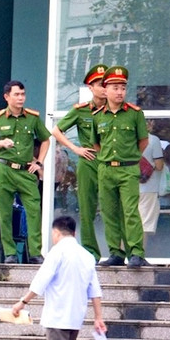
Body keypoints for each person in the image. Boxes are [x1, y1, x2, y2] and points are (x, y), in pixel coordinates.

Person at [10, 216, 105, 340]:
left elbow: (41, 280)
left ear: (56, 233)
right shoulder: (87, 256)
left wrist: (23, 302)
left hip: (57, 315)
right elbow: (94, 289)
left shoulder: (58, 252)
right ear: (74, 233)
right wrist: (98, 316)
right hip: (75, 317)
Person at [0, 80, 51, 265]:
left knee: (33, 210)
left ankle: (35, 252)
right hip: (4, 168)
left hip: (25, 171)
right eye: (17, 94)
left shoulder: (32, 118)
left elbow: (46, 139)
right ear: (7, 97)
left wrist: (39, 162)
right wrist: (2, 143)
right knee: (5, 213)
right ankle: (10, 253)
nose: (21, 98)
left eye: (23, 94)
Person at [94, 66, 150, 268]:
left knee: (130, 211)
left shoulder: (134, 114)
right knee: (109, 212)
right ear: (106, 90)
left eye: (123, 88)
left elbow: (143, 141)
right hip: (106, 169)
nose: (119, 92)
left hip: (128, 169)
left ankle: (135, 252)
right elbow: (96, 144)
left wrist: (130, 157)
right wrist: (107, 159)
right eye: (115, 88)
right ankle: (115, 252)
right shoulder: (98, 115)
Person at [50, 64, 107, 260]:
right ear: (90, 87)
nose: (104, 88)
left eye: (106, 84)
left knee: (113, 207)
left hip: (110, 162)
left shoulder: (115, 110)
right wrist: (75, 149)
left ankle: (117, 252)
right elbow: (56, 130)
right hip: (88, 161)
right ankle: (91, 252)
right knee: (87, 207)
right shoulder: (81, 111)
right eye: (100, 84)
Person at [139, 131, 167, 235]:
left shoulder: (124, 138)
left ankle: (122, 251)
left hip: (126, 188)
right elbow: (159, 166)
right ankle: (138, 251)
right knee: (143, 227)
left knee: (126, 225)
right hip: (148, 189)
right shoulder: (153, 140)